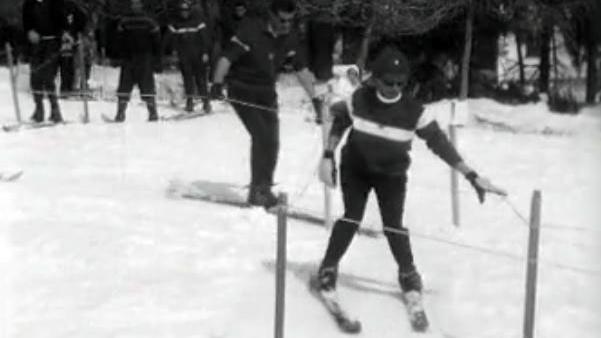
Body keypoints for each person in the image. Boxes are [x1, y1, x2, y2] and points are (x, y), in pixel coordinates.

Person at [314, 46, 506, 311]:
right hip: (355, 169)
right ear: (376, 79)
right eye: (388, 82)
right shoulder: (359, 98)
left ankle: (408, 274)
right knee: (351, 217)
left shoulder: (414, 111)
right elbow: (340, 122)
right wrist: (327, 154)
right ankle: (328, 267)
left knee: (393, 225)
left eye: (400, 83)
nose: (394, 87)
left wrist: (471, 175)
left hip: (391, 175)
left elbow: (440, 144)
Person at [210, 0, 322, 209]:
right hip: (241, 88)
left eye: (291, 20)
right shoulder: (250, 30)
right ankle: (257, 191)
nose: (287, 24)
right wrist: (217, 83)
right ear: (271, 16)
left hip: (266, 91)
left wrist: (315, 98)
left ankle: (264, 187)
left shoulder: (289, 37)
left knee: (272, 140)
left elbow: (302, 70)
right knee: (261, 135)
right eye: (282, 20)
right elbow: (226, 58)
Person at [112, 0, 161, 122]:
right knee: (124, 86)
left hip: (145, 58)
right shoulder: (124, 21)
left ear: (142, 5)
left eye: (137, 4)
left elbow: (157, 41)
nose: (135, 6)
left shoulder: (149, 21)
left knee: (147, 86)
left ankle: (153, 113)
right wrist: (117, 56)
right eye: (133, 4)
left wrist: (157, 59)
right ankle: (120, 113)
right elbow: (118, 39)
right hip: (128, 59)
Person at [22, 0, 67, 123]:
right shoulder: (29, 4)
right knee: (35, 75)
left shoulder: (55, 3)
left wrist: (63, 34)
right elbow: (26, 23)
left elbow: (62, 22)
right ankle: (39, 109)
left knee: (48, 76)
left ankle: (55, 109)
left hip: (52, 43)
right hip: (36, 45)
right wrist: (29, 31)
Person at [163, 0, 212, 113]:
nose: (184, 13)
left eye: (186, 10)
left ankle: (206, 103)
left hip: (198, 55)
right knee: (188, 79)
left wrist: (205, 52)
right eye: (182, 10)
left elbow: (205, 38)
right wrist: (171, 52)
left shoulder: (198, 22)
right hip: (184, 56)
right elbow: (168, 39)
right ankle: (190, 102)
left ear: (190, 10)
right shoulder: (176, 24)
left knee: (201, 80)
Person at [59, 0, 87, 98]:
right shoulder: (59, 6)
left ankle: (73, 86)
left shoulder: (77, 8)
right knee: (65, 63)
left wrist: (78, 35)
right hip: (64, 38)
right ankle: (65, 88)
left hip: (74, 38)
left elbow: (82, 21)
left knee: (74, 64)